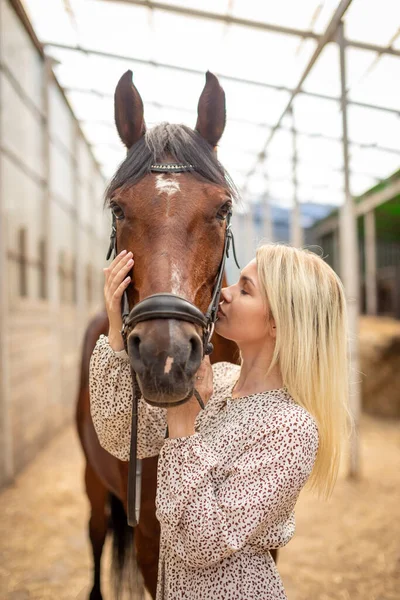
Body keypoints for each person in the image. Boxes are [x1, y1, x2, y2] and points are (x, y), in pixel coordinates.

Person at [89, 243, 352, 600]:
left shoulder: (291, 428)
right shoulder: (221, 381)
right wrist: (117, 329)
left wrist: (182, 426)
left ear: (278, 321)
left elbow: (203, 543)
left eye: (245, 289)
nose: (223, 294)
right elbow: (121, 436)